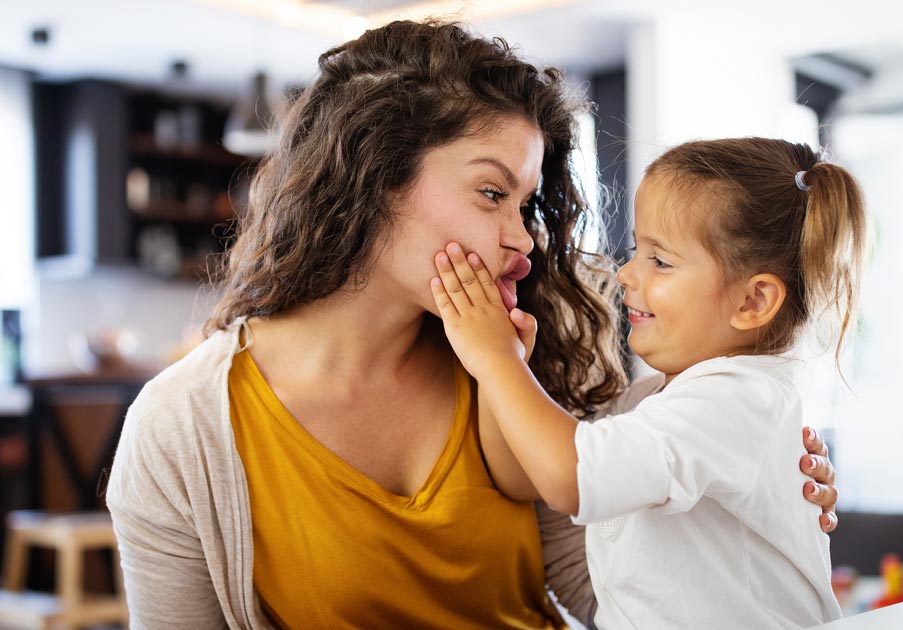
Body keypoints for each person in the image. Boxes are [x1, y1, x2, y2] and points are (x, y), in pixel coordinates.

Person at [103, 20, 840, 629]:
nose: (521, 238)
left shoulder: (516, 358)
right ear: (373, 173)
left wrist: (741, 504)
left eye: (525, 205)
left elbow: (609, 585)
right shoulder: (183, 431)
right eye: (491, 193)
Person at [432, 138, 866, 628]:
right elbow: (527, 476)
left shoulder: (729, 403)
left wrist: (497, 363)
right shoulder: (659, 400)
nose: (625, 273)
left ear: (752, 302)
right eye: (637, 250)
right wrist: (508, 372)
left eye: (660, 261)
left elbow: (569, 477)